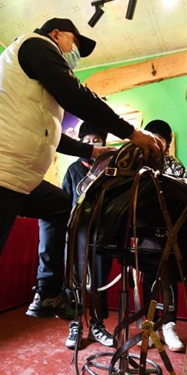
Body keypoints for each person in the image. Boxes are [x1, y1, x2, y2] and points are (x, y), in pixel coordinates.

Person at [0, 18, 164, 375]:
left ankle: (48, 291)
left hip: (10, 179)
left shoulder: (34, 86)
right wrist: (132, 132)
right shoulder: (35, 45)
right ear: (56, 35)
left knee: (59, 204)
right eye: (74, 43)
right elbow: (77, 95)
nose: (74, 52)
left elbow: (50, 136)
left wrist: (92, 151)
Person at [137, 119, 187, 352]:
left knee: (169, 278)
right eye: (153, 139)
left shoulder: (175, 166)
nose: (157, 144)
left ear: (168, 143)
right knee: (148, 279)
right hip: (144, 233)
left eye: (161, 140)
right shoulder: (137, 166)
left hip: (171, 232)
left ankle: (169, 325)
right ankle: (149, 326)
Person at [62, 122, 115, 350]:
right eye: (87, 141)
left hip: (103, 236)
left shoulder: (112, 170)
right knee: (74, 281)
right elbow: (64, 204)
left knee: (100, 282)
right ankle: (75, 324)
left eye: (96, 140)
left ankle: (97, 325)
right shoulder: (73, 170)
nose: (92, 144)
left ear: (103, 143)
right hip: (77, 235)